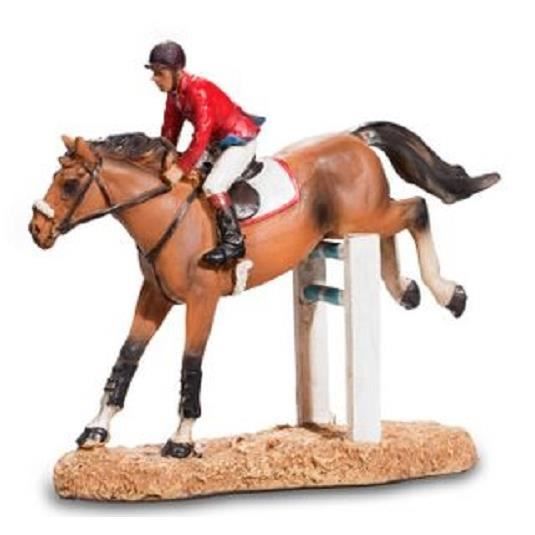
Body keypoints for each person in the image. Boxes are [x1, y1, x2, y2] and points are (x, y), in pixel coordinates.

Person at [146, 40, 264, 267]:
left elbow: (201, 136)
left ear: (176, 71)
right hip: (215, 144)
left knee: (213, 186)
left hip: (237, 142)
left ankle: (234, 242)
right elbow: (170, 130)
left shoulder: (198, 91)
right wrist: (166, 155)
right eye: (154, 73)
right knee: (191, 180)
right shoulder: (174, 95)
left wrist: (180, 168)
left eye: (159, 73)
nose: (155, 79)